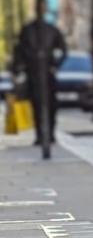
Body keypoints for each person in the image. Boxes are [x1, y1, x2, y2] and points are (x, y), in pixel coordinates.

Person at [11, 14, 66, 161]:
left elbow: (62, 49)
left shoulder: (52, 30)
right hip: (32, 73)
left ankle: (50, 134)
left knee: (51, 104)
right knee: (36, 104)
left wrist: (54, 65)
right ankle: (40, 135)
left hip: (47, 73)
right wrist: (18, 68)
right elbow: (19, 50)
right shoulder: (28, 30)